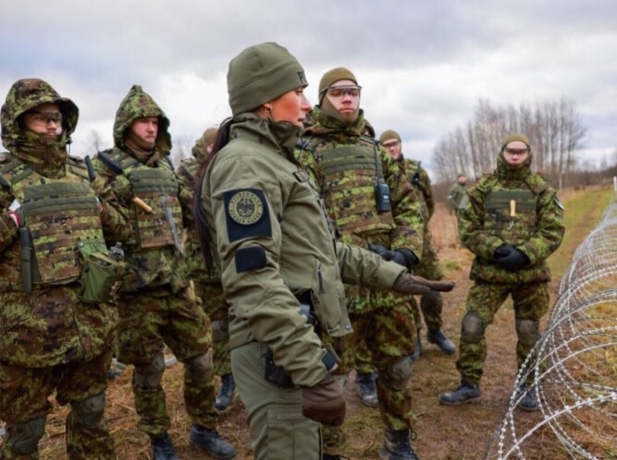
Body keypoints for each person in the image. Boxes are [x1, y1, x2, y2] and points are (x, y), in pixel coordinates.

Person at [194, 42, 454, 460]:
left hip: (291, 340)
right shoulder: (246, 164)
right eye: (297, 92)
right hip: (278, 348)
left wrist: (396, 276)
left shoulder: (276, 159)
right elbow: (252, 278)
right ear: (265, 100)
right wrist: (311, 370)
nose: (305, 104)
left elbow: (322, 250)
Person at [0, 78, 130, 459]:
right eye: (40, 117)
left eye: (57, 117)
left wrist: (100, 209)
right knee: (26, 432)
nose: (52, 126)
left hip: (90, 327)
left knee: (91, 412)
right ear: (17, 122)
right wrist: (12, 221)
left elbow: (124, 229)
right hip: (30, 336)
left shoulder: (84, 174)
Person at [92, 85, 235, 460]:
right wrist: (115, 195)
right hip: (135, 292)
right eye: (143, 121)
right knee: (150, 368)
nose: (151, 128)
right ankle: (159, 438)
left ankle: (204, 428)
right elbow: (97, 225)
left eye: (155, 121)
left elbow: (191, 215)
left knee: (202, 359)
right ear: (126, 126)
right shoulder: (103, 169)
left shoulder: (166, 168)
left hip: (176, 284)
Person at [297, 68, 426, 460]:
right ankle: (329, 452)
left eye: (352, 92)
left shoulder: (374, 151)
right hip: (337, 291)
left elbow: (408, 204)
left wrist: (405, 252)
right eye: (338, 93)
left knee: (398, 368)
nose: (347, 99)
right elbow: (304, 224)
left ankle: (398, 443)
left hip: (387, 285)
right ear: (322, 99)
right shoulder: (305, 152)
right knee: (331, 381)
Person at [439, 133, 565, 411]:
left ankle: (528, 386)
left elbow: (553, 231)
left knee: (528, 331)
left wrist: (525, 253)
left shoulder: (541, 190)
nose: (515, 156)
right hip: (491, 273)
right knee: (471, 326)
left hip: (529, 275)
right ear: (503, 152)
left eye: (521, 151)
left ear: (528, 154)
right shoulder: (483, 189)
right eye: (511, 151)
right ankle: (469, 384)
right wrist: (496, 249)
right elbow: (468, 228)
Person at [379, 129, 456, 358]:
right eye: (386, 145)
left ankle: (435, 330)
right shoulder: (377, 172)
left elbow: (430, 203)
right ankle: (415, 338)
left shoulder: (416, 170)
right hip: (394, 245)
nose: (392, 148)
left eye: (394, 143)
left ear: (401, 144)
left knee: (432, 289)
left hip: (422, 242)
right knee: (404, 291)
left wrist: (417, 229)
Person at [177, 127, 237, 412]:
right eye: (213, 146)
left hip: (237, 259)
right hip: (205, 264)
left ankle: (253, 375)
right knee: (218, 326)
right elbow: (186, 212)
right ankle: (228, 378)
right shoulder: (186, 174)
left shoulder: (235, 165)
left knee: (250, 321)